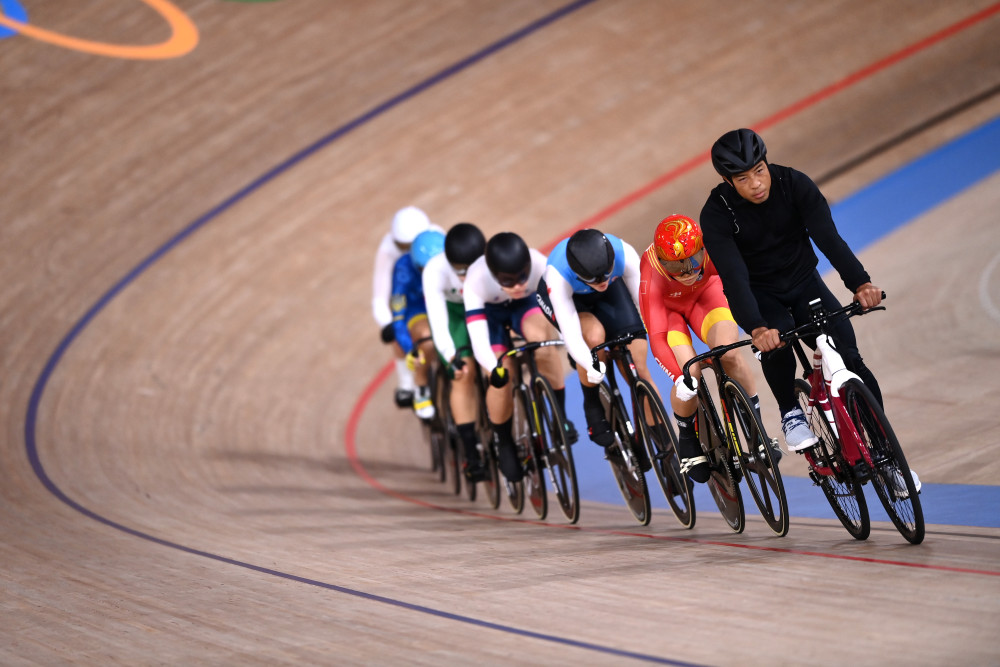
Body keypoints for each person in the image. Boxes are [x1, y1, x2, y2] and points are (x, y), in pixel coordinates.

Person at [699, 128, 886, 454]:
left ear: (767, 163)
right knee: (777, 340)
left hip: (804, 282)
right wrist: (757, 327)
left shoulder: (794, 183)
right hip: (760, 293)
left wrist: (861, 283)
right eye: (742, 179)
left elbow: (829, 238)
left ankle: (886, 450)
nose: (756, 183)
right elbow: (734, 276)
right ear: (728, 182)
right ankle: (790, 412)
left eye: (759, 171)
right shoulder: (716, 214)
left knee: (852, 360)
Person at [638, 214, 770, 485]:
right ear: (662, 263)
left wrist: (761, 328)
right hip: (669, 313)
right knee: (691, 372)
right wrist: (680, 376)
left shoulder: (713, 247)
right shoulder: (651, 270)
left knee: (730, 352)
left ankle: (756, 428)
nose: (686, 272)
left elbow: (745, 287)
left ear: (702, 250)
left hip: (707, 296)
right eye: (676, 266)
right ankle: (687, 439)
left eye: (693, 261)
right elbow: (658, 336)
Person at [536, 228, 653, 471]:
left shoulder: (623, 254)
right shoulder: (558, 275)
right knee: (594, 337)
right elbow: (570, 334)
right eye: (593, 279)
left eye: (604, 275)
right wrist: (590, 364)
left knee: (639, 369)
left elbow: (646, 306)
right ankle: (592, 404)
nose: (600, 282)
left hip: (613, 292)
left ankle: (661, 437)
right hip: (571, 302)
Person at [463, 232, 573, 482]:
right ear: (494, 276)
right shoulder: (476, 280)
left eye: (523, 276)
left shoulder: (540, 264)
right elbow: (479, 340)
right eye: (508, 281)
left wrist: (570, 343)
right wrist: (494, 368)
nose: (518, 285)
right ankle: (503, 441)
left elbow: (563, 309)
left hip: (525, 307)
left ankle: (560, 416)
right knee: (502, 373)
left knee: (542, 343)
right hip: (490, 315)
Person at [422, 222, 489, 481]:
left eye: (469, 270)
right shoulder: (434, 271)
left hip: (484, 306)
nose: (464, 276)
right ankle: (471, 456)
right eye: (458, 271)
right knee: (463, 373)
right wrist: (452, 356)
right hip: (455, 316)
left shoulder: (489, 262)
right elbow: (438, 322)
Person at [371, 206, 443, 408]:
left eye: (412, 245)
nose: (409, 250)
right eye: (403, 246)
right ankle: (407, 384)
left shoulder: (436, 237)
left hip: (431, 291)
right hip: (406, 293)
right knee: (397, 329)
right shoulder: (388, 251)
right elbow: (380, 296)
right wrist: (388, 324)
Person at [390, 229, 446, 420]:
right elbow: (398, 316)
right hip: (418, 310)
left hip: (446, 303)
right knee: (427, 339)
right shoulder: (403, 268)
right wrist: (409, 348)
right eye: (424, 269)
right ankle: (420, 387)